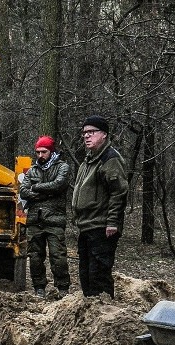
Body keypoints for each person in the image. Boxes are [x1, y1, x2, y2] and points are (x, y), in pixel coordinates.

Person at [71, 115, 128, 297]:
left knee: (99, 275)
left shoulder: (110, 159)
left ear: (104, 134)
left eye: (92, 132)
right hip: (87, 225)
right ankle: (91, 313)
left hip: (102, 227)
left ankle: (105, 314)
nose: (87, 136)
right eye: (85, 133)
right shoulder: (88, 160)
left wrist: (112, 222)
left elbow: (118, 192)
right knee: (86, 275)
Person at [19, 136, 71, 298]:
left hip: (55, 219)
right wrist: (46, 193)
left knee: (58, 256)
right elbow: (23, 191)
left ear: (51, 151)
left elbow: (59, 184)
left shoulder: (62, 167)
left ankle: (63, 288)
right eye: (38, 152)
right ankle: (39, 287)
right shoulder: (33, 170)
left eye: (44, 152)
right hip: (35, 220)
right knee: (34, 257)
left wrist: (36, 188)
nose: (40, 155)